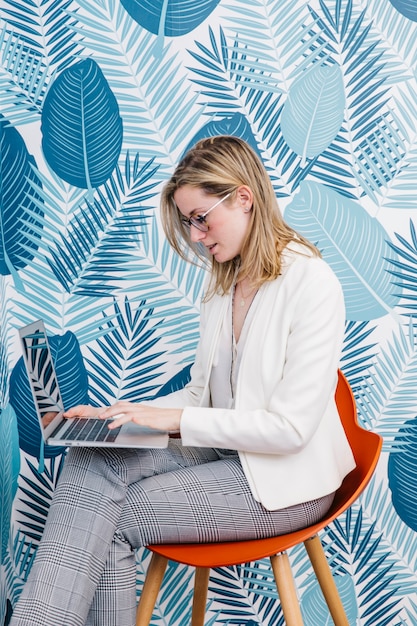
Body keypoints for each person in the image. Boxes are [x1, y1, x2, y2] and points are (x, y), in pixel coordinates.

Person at [10, 135, 356, 626]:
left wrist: (171, 419)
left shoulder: (312, 283)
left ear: (243, 197)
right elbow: (201, 393)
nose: (195, 235)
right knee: (92, 457)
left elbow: (290, 429)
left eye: (200, 218)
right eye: (188, 222)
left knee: (110, 517)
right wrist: (122, 416)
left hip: (283, 480)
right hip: (226, 451)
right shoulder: (224, 283)